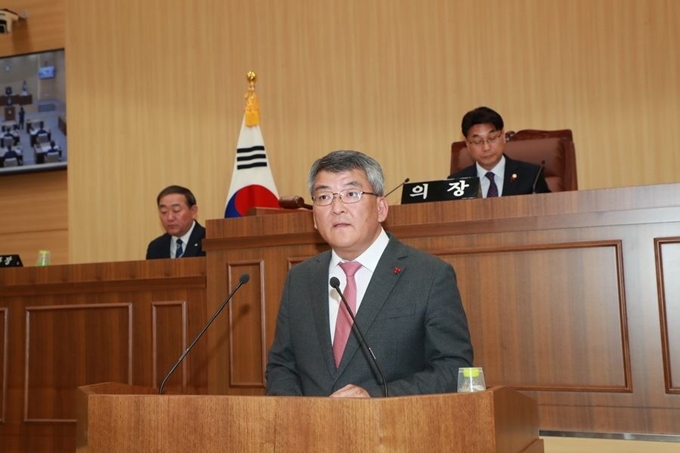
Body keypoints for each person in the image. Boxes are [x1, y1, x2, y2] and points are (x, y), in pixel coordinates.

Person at [266, 150, 473, 397]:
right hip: (308, 431)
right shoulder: (300, 279)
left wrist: (374, 398)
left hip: (392, 430)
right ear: (314, 217)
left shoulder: (429, 275)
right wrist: (302, 418)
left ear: (381, 208)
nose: (337, 208)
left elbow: (453, 369)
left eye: (351, 194)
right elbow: (282, 365)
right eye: (324, 196)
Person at [448, 106, 550, 197]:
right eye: (478, 141)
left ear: (503, 137)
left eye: (492, 138)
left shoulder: (531, 176)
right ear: (468, 145)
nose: (486, 147)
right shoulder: (456, 183)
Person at [146, 185, 206, 259]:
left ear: (193, 211)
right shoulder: (155, 247)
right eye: (164, 212)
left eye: (176, 210)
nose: (170, 218)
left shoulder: (210, 241)